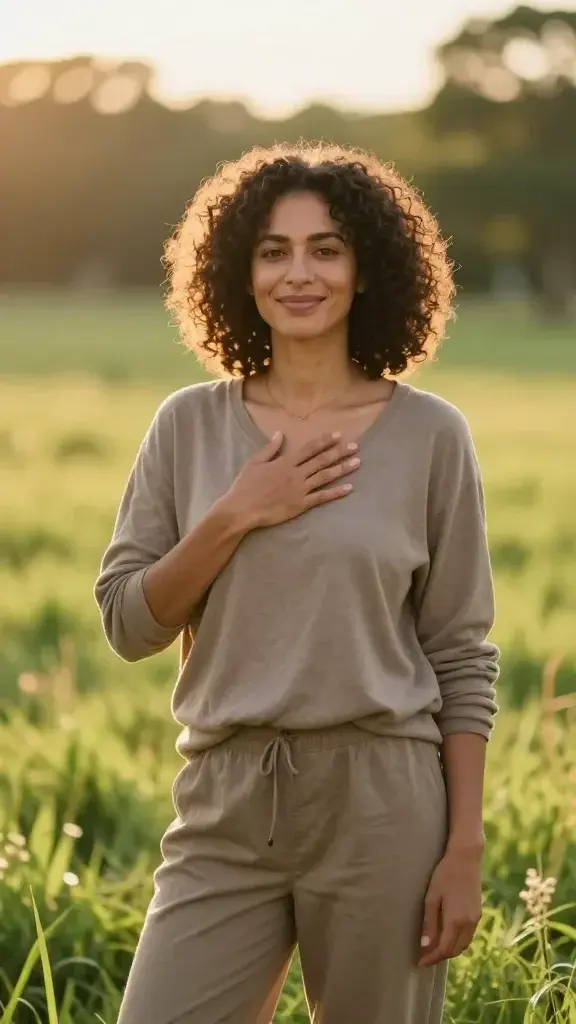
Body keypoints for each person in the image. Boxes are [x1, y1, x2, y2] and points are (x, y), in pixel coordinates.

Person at [95, 142, 499, 1024]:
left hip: (383, 801)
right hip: (226, 798)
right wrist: (237, 512)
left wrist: (463, 846)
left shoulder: (432, 436)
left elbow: (461, 655)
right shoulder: (187, 426)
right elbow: (128, 624)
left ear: (367, 268)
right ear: (240, 274)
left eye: (327, 249)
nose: (299, 273)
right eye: (273, 251)